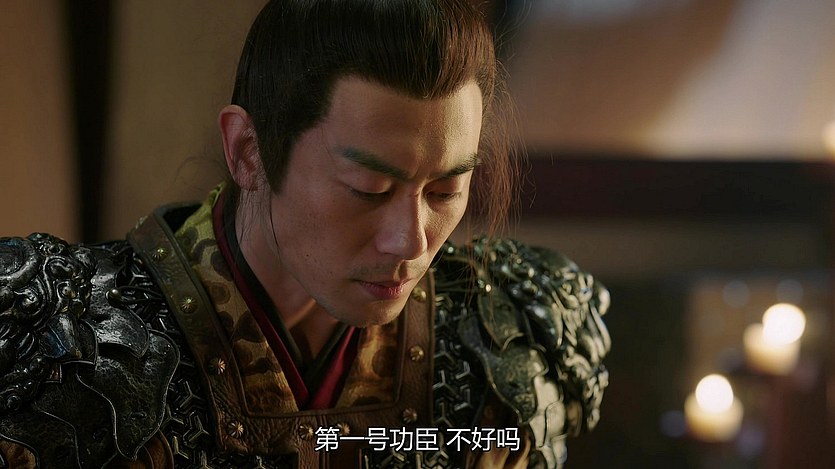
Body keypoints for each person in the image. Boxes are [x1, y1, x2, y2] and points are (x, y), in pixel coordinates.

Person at [0, 1, 611, 468]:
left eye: (445, 191)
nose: (411, 242)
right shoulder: (66, 344)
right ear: (248, 151)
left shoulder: (503, 338)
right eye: (368, 188)